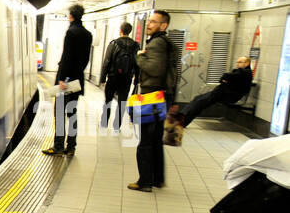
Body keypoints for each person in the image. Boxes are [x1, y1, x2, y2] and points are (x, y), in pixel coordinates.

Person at [128, 10, 178, 192]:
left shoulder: (156, 44)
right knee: (156, 140)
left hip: (152, 97)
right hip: (163, 96)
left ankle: (145, 182)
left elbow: (153, 69)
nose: (149, 24)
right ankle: (157, 179)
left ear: (163, 26)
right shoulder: (167, 43)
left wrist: (140, 56)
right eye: (149, 21)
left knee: (146, 142)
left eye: (154, 22)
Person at [44, 3, 92, 156]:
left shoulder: (71, 32)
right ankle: (71, 147)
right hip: (77, 80)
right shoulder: (87, 34)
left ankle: (58, 147)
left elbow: (67, 57)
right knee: (72, 113)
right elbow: (85, 59)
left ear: (70, 16)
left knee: (59, 112)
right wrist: (77, 74)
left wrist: (62, 78)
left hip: (66, 81)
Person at [176, 56, 253, 134]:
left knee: (200, 103)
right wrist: (225, 79)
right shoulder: (240, 72)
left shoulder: (245, 73)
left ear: (247, 63)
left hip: (227, 95)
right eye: (237, 62)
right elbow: (224, 78)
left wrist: (226, 79)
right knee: (197, 99)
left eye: (240, 62)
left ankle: (182, 121)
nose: (237, 64)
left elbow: (227, 76)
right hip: (221, 92)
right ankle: (180, 118)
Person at [99, 21, 137, 132]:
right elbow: (137, 63)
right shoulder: (135, 46)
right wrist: (136, 78)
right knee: (122, 103)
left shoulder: (113, 44)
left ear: (120, 31)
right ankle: (117, 126)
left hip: (113, 77)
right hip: (127, 78)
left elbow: (107, 61)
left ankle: (104, 123)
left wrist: (102, 78)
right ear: (130, 32)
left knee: (108, 100)